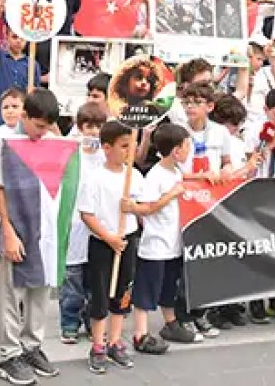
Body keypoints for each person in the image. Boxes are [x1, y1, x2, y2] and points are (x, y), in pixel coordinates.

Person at [0, 90, 64, 384]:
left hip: (44, 229)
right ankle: (9, 354)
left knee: (40, 290)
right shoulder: (7, 144)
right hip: (17, 226)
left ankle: (32, 346)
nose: (42, 131)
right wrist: (8, 230)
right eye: (38, 125)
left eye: (47, 126)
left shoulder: (52, 143)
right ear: (24, 116)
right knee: (11, 295)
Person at [78, 121, 146, 374]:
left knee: (123, 292)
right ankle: (98, 344)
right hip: (103, 243)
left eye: (132, 145)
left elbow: (144, 207)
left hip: (127, 240)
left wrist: (133, 208)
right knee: (100, 294)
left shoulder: (134, 175)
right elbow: (87, 214)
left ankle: (115, 341)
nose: (130, 151)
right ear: (107, 148)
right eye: (124, 146)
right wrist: (108, 237)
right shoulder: (95, 178)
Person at [128, 124, 199, 356]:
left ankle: (170, 323)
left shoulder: (175, 171)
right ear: (176, 151)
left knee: (169, 286)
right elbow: (146, 209)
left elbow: (185, 179)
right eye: (187, 146)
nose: (189, 150)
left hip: (173, 242)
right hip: (156, 245)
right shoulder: (155, 175)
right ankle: (140, 333)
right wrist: (170, 195)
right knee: (147, 289)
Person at [62, 104, 107, 344]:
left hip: (98, 224)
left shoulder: (105, 156)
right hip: (74, 223)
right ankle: (69, 322)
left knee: (94, 278)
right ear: (80, 127)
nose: (94, 131)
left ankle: (93, 322)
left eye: (99, 126)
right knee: (72, 278)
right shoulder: (71, 152)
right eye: (89, 126)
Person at [0, 30, 42, 126]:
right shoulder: (0, 57)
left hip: (21, 115)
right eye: (14, 37)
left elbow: (35, 91)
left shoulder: (32, 64)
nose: (18, 41)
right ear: (7, 37)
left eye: (22, 38)